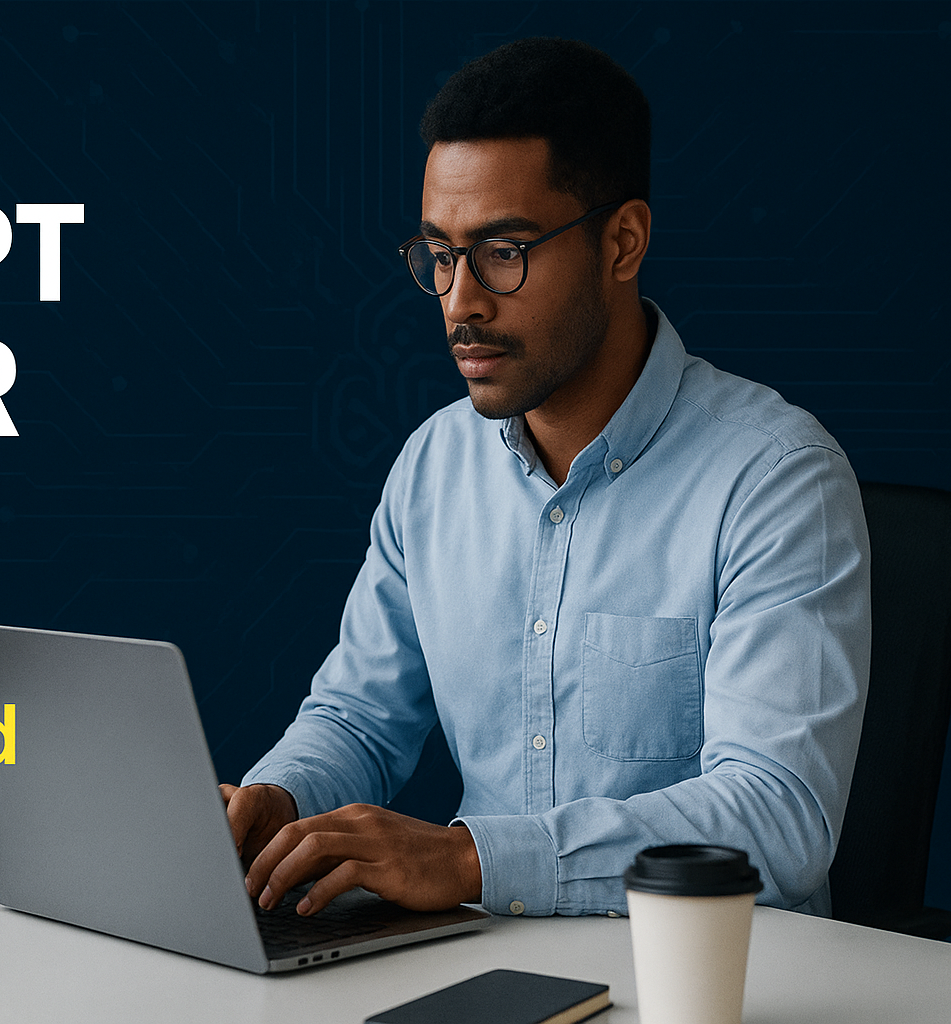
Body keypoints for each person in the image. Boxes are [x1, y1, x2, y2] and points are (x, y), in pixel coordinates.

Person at [222, 37, 870, 920]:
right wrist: (280, 800)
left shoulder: (777, 479)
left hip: (706, 988)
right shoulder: (434, 466)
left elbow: (777, 816)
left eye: (504, 250)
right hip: (484, 971)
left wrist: (471, 860)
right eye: (441, 255)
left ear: (623, 241)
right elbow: (358, 720)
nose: (460, 301)